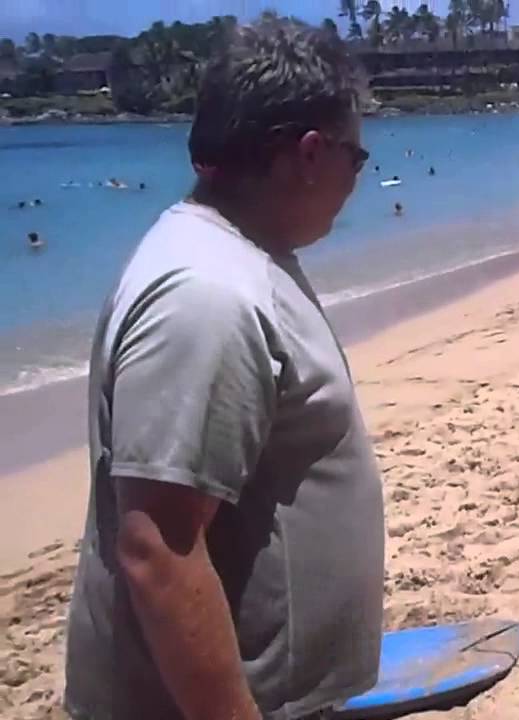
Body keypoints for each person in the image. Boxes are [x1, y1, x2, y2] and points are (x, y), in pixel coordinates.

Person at [63, 20, 384, 720]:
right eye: (356, 160)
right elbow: (159, 549)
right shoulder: (207, 293)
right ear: (308, 153)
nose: (357, 181)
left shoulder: (240, 258)